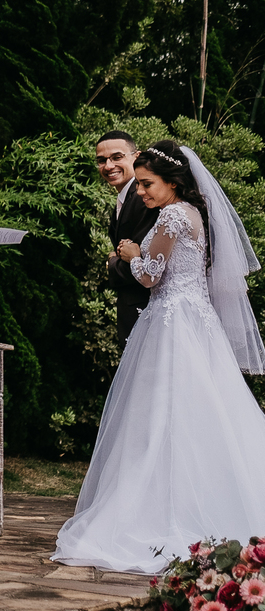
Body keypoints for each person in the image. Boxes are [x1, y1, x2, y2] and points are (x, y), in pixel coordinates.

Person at [53, 140, 265, 574]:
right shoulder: (195, 215)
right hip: (195, 320)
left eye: (148, 184)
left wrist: (132, 256)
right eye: (141, 184)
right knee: (200, 413)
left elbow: (152, 277)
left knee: (160, 416)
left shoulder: (171, 216)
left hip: (172, 322)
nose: (141, 191)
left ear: (173, 182)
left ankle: (158, 512)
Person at [96, 131, 159, 344]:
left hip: (147, 311)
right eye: (101, 160)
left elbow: (147, 262)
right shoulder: (125, 197)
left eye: (117, 157)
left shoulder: (143, 199)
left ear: (136, 156)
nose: (108, 166)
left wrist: (111, 263)